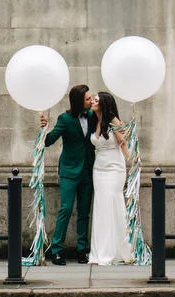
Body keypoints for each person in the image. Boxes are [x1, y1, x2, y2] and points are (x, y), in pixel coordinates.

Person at [38, 85, 96, 265]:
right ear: (79, 101)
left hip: (88, 171)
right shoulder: (64, 119)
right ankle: (56, 250)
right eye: (87, 98)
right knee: (66, 209)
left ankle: (82, 250)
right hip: (69, 172)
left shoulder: (93, 116)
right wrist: (44, 128)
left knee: (84, 212)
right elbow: (48, 141)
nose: (91, 100)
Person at [87, 90, 135, 266]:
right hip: (98, 169)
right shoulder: (94, 120)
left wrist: (133, 161)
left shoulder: (113, 121)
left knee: (112, 205)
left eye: (96, 100)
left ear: (104, 104)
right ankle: (99, 252)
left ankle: (115, 251)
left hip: (114, 169)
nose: (92, 101)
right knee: (101, 207)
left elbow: (123, 144)